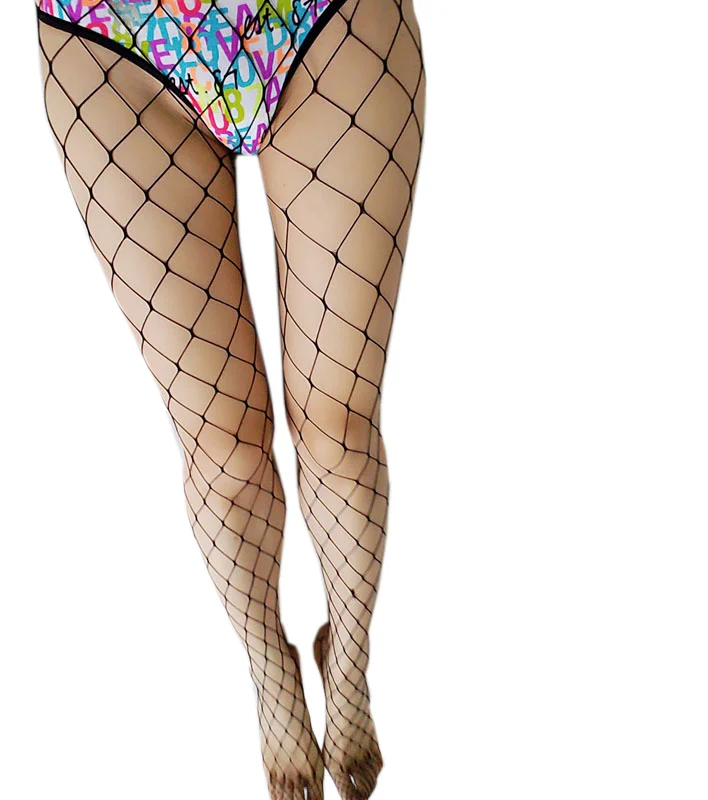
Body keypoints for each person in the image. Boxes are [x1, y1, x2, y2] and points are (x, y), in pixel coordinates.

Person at [34, 2, 426, 799]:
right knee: (224, 449)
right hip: (111, 40)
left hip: (324, 22)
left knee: (340, 434)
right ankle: (269, 665)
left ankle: (349, 659)